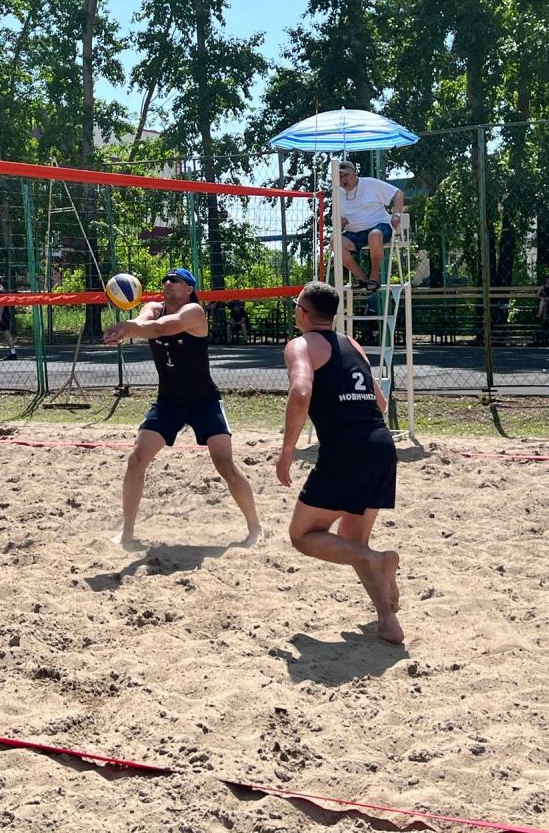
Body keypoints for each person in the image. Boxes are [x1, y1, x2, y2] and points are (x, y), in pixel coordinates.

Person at [275, 280, 403, 644]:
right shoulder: (353, 344)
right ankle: (388, 621)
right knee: (352, 541)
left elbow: (301, 391)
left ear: (302, 313)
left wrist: (288, 450)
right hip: (381, 445)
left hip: (346, 450)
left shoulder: (300, 345)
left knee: (302, 535)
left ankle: (377, 559)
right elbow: (380, 402)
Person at [103, 267, 261, 547]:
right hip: (169, 403)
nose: (167, 282)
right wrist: (125, 328)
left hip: (204, 401)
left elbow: (161, 328)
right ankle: (127, 533)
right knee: (137, 459)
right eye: (165, 279)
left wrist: (126, 328)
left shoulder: (194, 312)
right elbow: (144, 322)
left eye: (174, 280)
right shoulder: (153, 308)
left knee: (224, 464)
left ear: (189, 288)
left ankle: (255, 528)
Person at [335, 161, 404, 294]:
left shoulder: (370, 183)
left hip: (379, 226)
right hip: (354, 231)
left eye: (346, 175)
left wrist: (396, 215)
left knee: (374, 235)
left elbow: (398, 193)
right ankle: (361, 278)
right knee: (335, 242)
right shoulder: (337, 193)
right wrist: (340, 222)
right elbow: (338, 220)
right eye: (340, 176)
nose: (343, 179)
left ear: (355, 173)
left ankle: (374, 276)